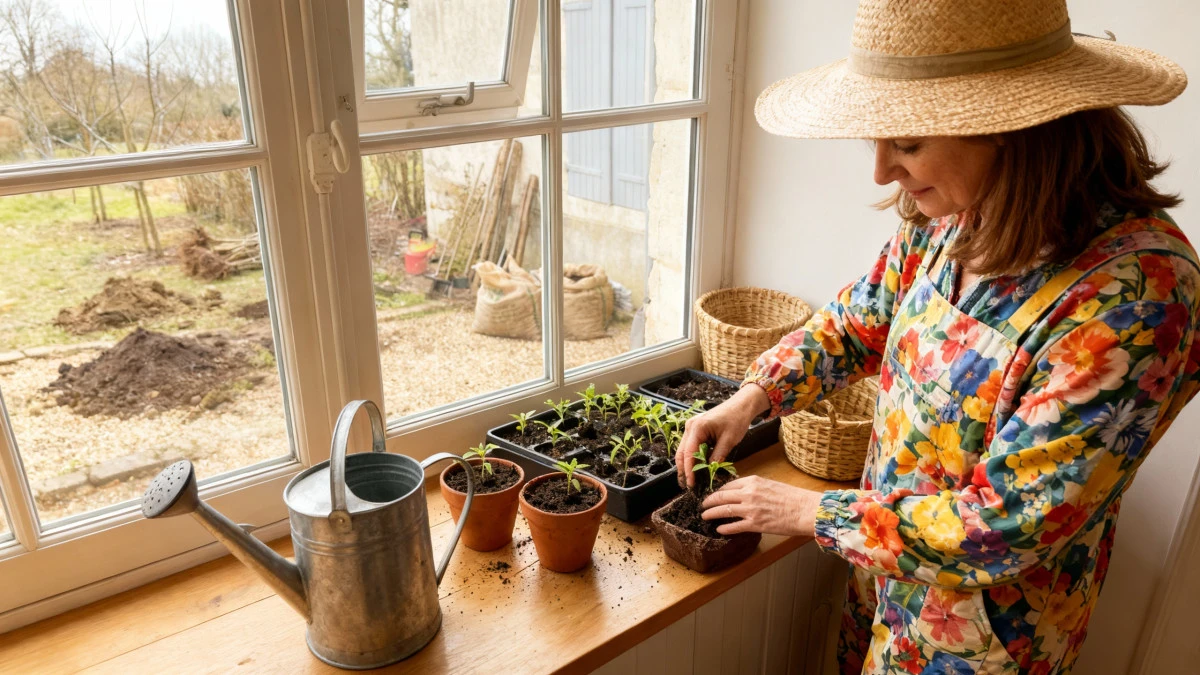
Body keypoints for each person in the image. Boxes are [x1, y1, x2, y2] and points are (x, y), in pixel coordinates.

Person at [674, 1, 1197, 673]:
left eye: (909, 143)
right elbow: (861, 319)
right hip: (887, 579)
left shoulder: (1140, 296)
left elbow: (1013, 521)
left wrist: (813, 513)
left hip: (988, 635)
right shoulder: (951, 214)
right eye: (880, 140)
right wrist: (751, 396)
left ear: (1009, 128)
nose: (882, 170)